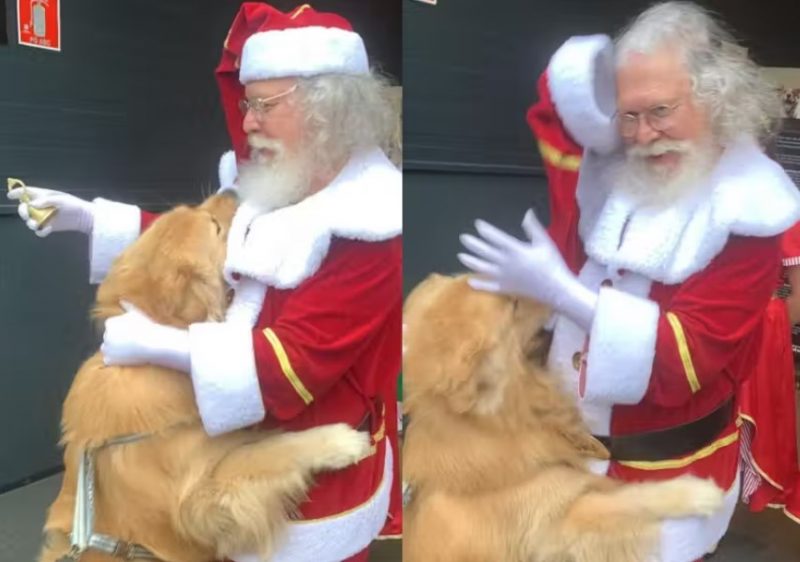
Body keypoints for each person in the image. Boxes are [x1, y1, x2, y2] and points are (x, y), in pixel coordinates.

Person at [8, 3, 401, 561]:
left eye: (265, 106)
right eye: (247, 105)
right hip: (227, 464)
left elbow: (293, 368)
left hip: (311, 487)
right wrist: (94, 219)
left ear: (327, 111)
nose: (247, 123)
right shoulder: (288, 177)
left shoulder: (373, 223)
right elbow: (221, 242)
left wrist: (165, 345)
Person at [457, 2, 800, 560]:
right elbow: (556, 100)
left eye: (660, 110)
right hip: (568, 460)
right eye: (628, 115)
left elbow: (688, 358)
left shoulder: (748, 210)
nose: (643, 135)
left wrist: (564, 293)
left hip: (662, 480)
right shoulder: (618, 175)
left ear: (715, 98)